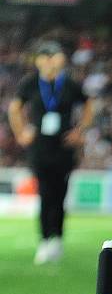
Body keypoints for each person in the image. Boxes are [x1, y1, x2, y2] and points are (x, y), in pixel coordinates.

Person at [8, 40, 94, 265]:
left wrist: (80, 130)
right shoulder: (31, 83)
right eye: (45, 57)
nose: (50, 61)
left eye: (54, 56)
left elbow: (88, 105)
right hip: (40, 148)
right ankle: (45, 239)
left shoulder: (69, 84)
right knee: (45, 193)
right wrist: (21, 131)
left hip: (64, 147)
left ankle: (57, 238)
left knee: (61, 193)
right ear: (38, 61)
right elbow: (14, 108)